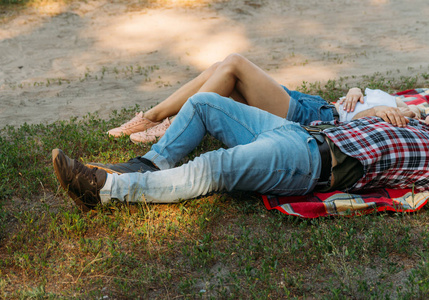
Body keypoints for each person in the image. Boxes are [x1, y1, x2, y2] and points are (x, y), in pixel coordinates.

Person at [52, 92, 429, 212]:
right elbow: (353, 122)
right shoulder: (415, 118)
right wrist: (374, 111)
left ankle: (106, 191)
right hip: (301, 132)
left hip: (310, 162)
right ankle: (148, 163)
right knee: (205, 104)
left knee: (215, 166)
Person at [107, 53, 425, 143]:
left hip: (314, 119)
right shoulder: (394, 99)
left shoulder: (405, 118)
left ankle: (169, 120)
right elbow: (357, 92)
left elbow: (353, 125)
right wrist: (356, 92)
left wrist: (380, 111)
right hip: (312, 101)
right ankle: (155, 117)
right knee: (220, 68)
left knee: (234, 64)